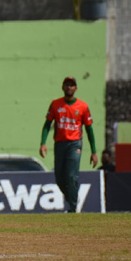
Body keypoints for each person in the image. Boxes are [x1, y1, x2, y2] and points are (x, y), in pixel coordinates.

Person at [39, 76, 97, 213]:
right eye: (67, 85)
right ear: (62, 87)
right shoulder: (55, 104)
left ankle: (72, 207)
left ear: (76, 88)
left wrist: (94, 152)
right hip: (60, 144)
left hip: (74, 144)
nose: (69, 87)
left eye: (72, 85)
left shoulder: (83, 106)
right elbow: (47, 125)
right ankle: (72, 197)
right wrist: (43, 143)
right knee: (59, 177)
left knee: (71, 176)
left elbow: (89, 129)